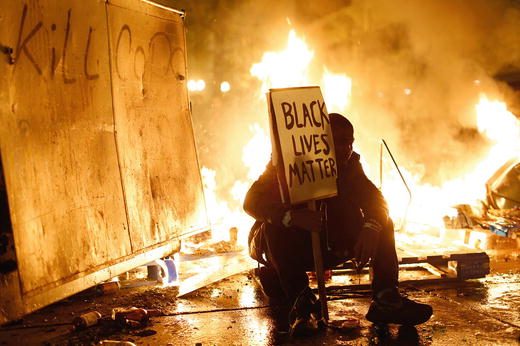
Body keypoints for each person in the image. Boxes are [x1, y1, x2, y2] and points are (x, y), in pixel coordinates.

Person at [243, 113, 432, 336]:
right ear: (320, 141)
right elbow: (251, 201)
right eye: (340, 142)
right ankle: (302, 304)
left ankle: (386, 300)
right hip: (290, 252)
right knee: (274, 228)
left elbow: (376, 200)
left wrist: (371, 227)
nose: (347, 148)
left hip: (331, 246)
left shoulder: (349, 166)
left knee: (383, 223)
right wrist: (292, 216)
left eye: (350, 141)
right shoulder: (286, 164)